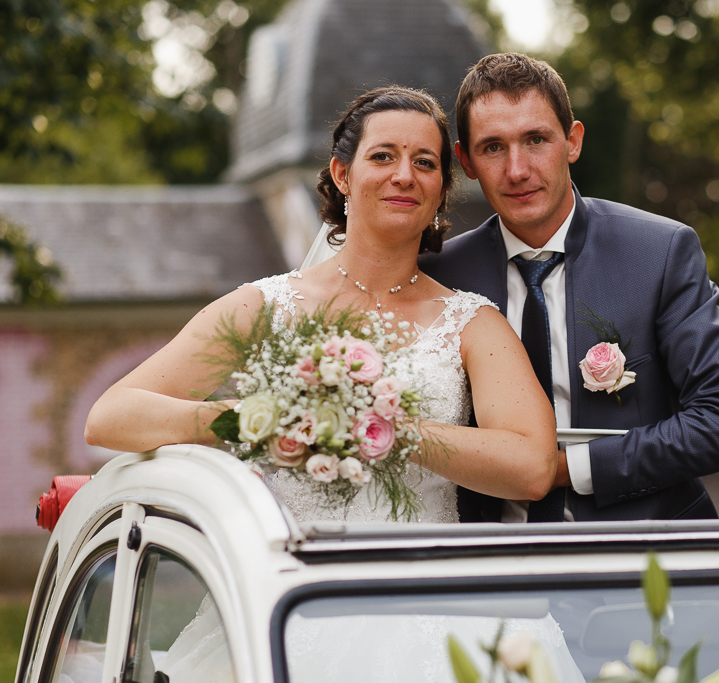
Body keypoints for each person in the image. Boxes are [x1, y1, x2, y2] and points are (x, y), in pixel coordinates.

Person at [84, 86, 558, 524]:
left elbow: (533, 469)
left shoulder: (471, 322)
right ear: (342, 174)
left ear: (440, 190)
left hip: (427, 588)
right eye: (383, 156)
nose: (403, 176)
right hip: (289, 590)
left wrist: (393, 429)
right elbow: (110, 418)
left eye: (425, 162)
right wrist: (264, 415)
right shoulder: (263, 307)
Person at [419, 53, 719, 523]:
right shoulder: (437, 275)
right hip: (488, 568)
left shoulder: (659, 253)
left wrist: (563, 470)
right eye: (493, 147)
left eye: (536, 139)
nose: (517, 169)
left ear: (572, 141)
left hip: (643, 557)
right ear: (466, 161)